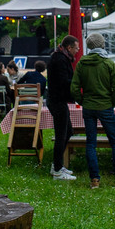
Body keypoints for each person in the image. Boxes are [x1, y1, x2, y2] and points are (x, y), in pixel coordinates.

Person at [71, 32, 115, 188]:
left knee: (90, 143)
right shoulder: (108, 63)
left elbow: (73, 88)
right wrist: (111, 103)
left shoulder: (81, 63)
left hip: (89, 107)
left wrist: (83, 101)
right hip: (105, 106)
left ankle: (95, 180)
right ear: (102, 45)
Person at [47, 36, 79, 181]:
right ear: (69, 48)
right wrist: (77, 83)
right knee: (61, 135)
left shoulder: (60, 57)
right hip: (57, 101)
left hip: (59, 101)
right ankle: (58, 171)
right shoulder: (59, 60)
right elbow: (63, 81)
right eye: (76, 48)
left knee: (68, 132)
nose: (77, 51)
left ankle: (57, 165)